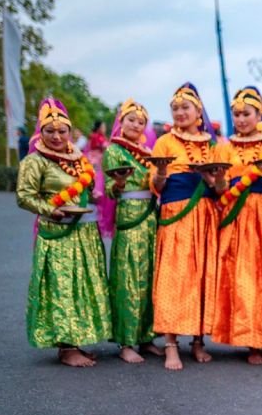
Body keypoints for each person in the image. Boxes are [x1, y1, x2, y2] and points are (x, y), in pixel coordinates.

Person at [15, 98, 112, 367]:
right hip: (57, 232)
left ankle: (75, 341)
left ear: (70, 131)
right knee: (62, 286)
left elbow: (84, 186)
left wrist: (93, 194)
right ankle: (66, 348)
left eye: (62, 131)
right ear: (41, 132)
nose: (56, 136)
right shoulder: (35, 161)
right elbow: (24, 196)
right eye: (50, 131)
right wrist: (50, 209)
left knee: (82, 285)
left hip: (84, 230)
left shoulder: (77, 157)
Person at [149, 82, 223, 371]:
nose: (180, 113)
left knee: (202, 275)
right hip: (176, 213)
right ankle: (171, 344)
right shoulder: (165, 142)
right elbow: (156, 186)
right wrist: (162, 172)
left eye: (185, 108)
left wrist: (210, 179)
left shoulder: (212, 145)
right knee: (175, 277)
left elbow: (220, 190)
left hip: (205, 215)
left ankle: (198, 340)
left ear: (198, 111)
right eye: (175, 109)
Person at [211, 86, 262, 364]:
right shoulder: (224, 147)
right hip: (237, 215)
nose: (241, 119)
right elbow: (219, 190)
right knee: (242, 275)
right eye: (237, 115)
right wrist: (220, 182)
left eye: (247, 114)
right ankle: (252, 341)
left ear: (260, 114)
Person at [103, 99, 161, 364]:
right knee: (128, 278)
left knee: (149, 277)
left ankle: (146, 338)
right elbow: (108, 189)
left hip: (151, 217)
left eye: (141, 122)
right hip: (129, 216)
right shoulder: (114, 151)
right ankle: (126, 341)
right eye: (131, 120)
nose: (136, 125)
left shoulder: (148, 152)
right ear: (121, 121)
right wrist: (118, 183)